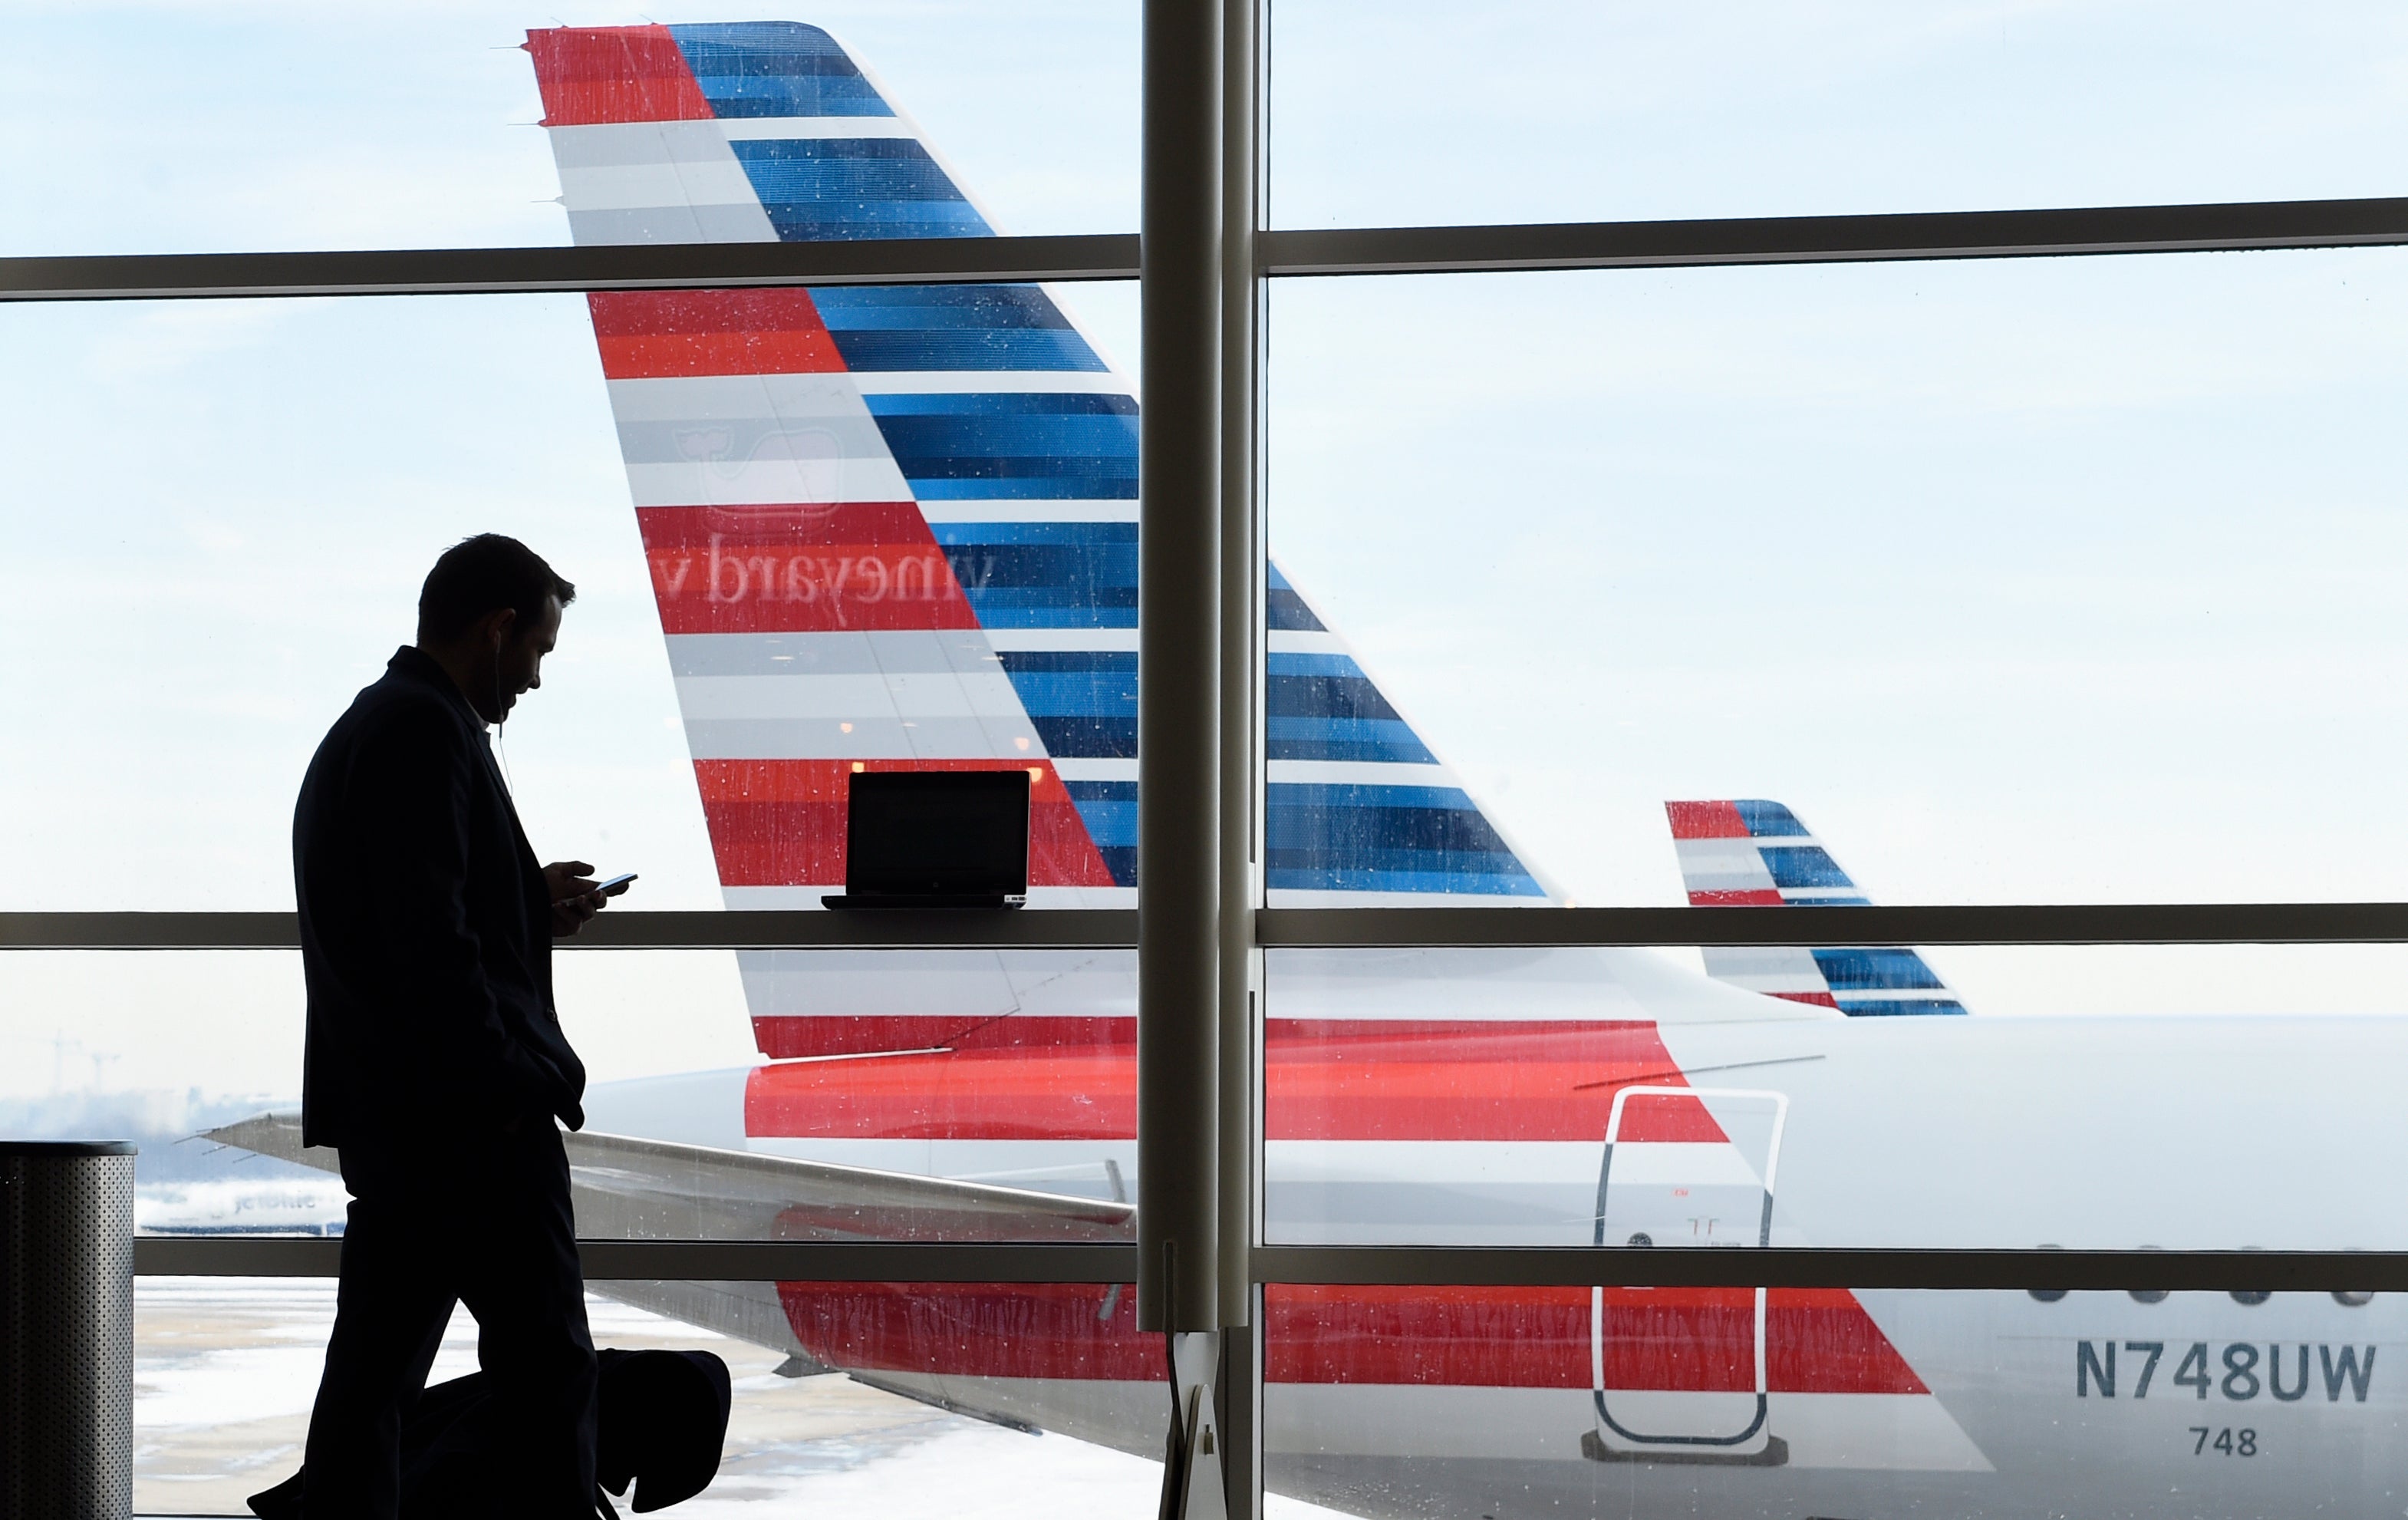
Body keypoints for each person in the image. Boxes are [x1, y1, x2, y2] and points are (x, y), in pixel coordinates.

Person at [291, 533, 625, 1519]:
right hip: (468, 1125)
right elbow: (427, 944)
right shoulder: (423, 733)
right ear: (497, 628)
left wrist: (525, 897)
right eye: (538, 650)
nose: (534, 677)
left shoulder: (382, 724)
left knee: (374, 1383)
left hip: (407, 1117)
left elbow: (408, 899)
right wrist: (515, 1080)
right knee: (548, 1370)